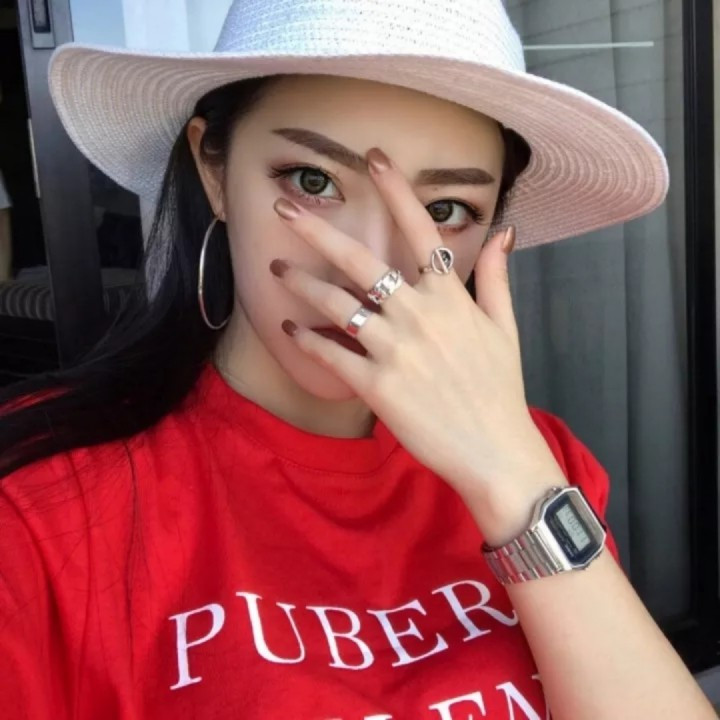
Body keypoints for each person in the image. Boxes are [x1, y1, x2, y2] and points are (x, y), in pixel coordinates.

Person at [0, 0, 714, 718]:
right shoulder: (39, 508)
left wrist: (514, 478)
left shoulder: (541, 464)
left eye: (445, 210)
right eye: (313, 181)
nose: (372, 269)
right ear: (213, 170)